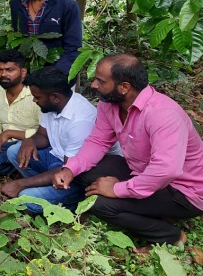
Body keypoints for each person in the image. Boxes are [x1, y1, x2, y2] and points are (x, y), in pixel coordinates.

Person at [53, 54, 203, 249]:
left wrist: (117, 189)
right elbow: (98, 141)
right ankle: (145, 209)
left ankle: (170, 235)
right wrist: (70, 168)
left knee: (98, 204)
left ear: (124, 87)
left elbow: (166, 171)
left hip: (182, 190)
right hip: (141, 173)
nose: (94, 86)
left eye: (101, 81)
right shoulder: (109, 104)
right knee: (82, 172)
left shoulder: (163, 114)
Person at [0, 66, 101, 213]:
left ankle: (73, 201)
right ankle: (47, 189)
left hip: (75, 177)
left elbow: (69, 170)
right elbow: (42, 136)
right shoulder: (52, 105)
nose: (34, 100)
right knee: (15, 150)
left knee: (26, 198)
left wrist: (21, 184)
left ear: (55, 97)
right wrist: (29, 141)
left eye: (37, 97)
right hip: (56, 158)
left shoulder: (80, 121)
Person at [0, 49, 42, 175]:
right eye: (0, 70)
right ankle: (15, 168)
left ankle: (26, 167)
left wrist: (9, 133)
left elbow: (47, 132)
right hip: (4, 143)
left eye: (10, 70)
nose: (3, 74)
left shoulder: (36, 94)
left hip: (33, 143)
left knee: (14, 151)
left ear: (23, 72)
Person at [9, 0, 82, 77]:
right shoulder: (16, 4)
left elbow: (73, 46)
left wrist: (57, 75)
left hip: (59, 74)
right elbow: (16, 38)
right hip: (27, 74)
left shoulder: (67, 5)